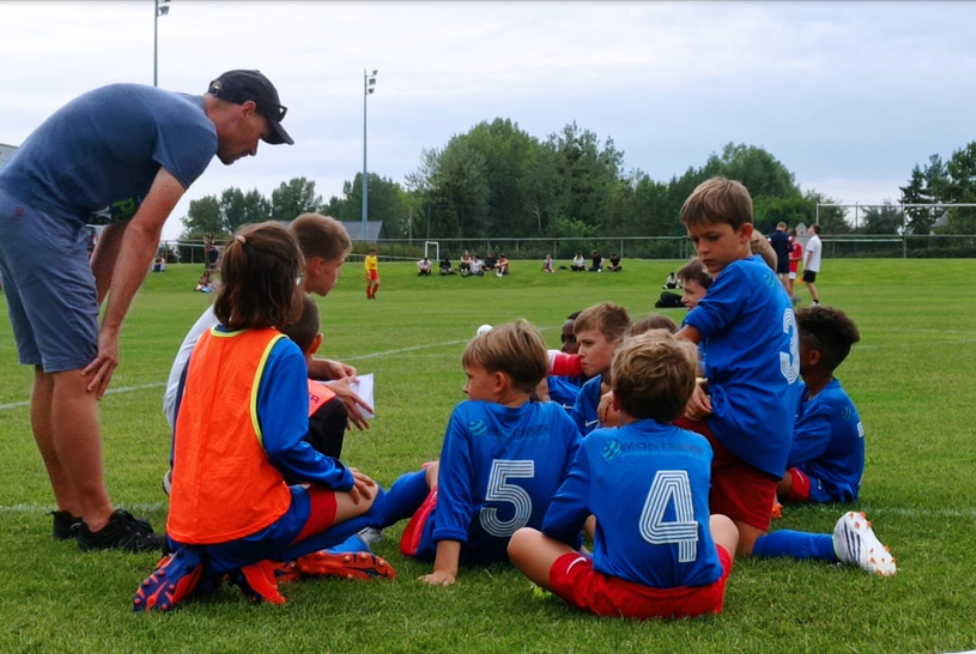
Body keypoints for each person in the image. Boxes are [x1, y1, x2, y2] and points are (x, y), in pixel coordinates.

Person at [0, 69, 293, 551]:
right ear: (245, 111)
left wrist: (92, 309)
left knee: (53, 372)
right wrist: (108, 331)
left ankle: (72, 512)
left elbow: (121, 227)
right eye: (259, 136)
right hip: (43, 215)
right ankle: (99, 523)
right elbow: (146, 231)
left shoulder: (172, 120)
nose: (254, 150)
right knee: (78, 371)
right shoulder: (196, 131)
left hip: (23, 209)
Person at [133, 222, 398, 612]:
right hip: (246, 526)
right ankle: (265, 560)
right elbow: (283, 446)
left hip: (183, 525)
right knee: (370, 496)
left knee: (257, 501)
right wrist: (339, 474)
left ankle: (198, 561)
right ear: (284, 286)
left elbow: (183, 439)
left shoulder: (205, 343)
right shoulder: (282, 351)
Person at [673, 178, 895, 575]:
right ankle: (840, 545)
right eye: (694, 241)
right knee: (747, 540)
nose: (702, 249)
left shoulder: (737, 275)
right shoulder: (767, 280)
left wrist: (685, 382)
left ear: (744, 234)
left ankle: (610, 528)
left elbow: (680, 343)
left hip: (734, 420)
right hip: (768, 435)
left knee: (630, 411)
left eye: (711, 237)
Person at [509, 331, 738, 620]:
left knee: (523, 540)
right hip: (702, 596)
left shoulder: (598, 443)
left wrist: (575, 551)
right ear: (682, 407)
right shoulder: (700, 446)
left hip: (626, 598)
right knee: (723, 523)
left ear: (615, 400)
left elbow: (558, 524)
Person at [162, 214, 373, 485]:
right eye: (339, 265)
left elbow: (253, 364)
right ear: (318, 265)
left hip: (199, 400)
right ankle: (299, 484)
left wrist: (320, 368)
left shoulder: (265, 291)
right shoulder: (275, 296)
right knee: (327, 410)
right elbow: (255, 375)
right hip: (196, 404)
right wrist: (327, 392)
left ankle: (199, 472)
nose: (339, 274)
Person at [399, 321, 582, 587]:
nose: (465, 387)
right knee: (440, 477)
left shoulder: (466, 415)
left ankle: (373, 519)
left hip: (471, 545)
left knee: (436, 481)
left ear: (498, 382)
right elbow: (579, 486)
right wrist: (576, 548)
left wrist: (446, 569)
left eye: (470, 377)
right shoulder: (558, 417)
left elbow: (454, 497)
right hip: (535, 549)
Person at [777, 306, 865, 505]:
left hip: (829, 486)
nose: (786, 349)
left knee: (756, 474)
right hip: (804, 470)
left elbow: (784, 456)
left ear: (813, 357)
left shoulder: (828, 405)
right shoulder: (803, 391)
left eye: (793, 344)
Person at [570, 302, 631, 436]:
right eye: (579, 344)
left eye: (588, 343)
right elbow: (574, 443)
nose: (580, 353)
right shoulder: (588, 391)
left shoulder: (644, 390)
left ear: (618, 344)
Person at [768, 221, 791, 291]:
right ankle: (788, 297)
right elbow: (791, 248)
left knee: (776, 278)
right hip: (784, 259)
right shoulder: (787, 237)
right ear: (784, 228)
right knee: (786, 280)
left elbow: (768, 247)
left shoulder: (771, 237)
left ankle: (776, 295)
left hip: (775, 259)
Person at [803, 224, 823, 306]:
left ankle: (816, 301)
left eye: (810, 227)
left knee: (809, 282)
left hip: (811, 266)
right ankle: (815, 301)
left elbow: (810, 253)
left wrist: (806, 266)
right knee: (808, 282)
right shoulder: (816, 240)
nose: (809, 229)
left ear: (813, 230)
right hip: (813, 266)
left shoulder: (813, 240)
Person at [788, 228, 803, 301]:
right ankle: (790, 296)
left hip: (793, 266)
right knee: (785, 282)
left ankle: (791, 297)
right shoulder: (787, 244)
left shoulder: (798, 245)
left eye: (792, 236)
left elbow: (800, 257)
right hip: (786, 266)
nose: (791, 238)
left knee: (791, 282)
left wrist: (792, 259)